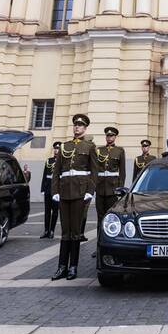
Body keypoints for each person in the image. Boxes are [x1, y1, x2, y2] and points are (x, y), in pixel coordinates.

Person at [51, 114, 98, 281]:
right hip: (64, 192)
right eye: (75, 125)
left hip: (79, 192)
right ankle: (61, 266)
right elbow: (56, 172)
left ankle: (73, 266)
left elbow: (94, 171)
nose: (77, 127)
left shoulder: (90, 147)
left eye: (80, 125)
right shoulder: (65, 146)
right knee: (65, 231)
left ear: (85, 128)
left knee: (76, 232)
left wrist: (89, 191)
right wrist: (55, 191)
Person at [93, 126, 125, 252]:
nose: (109, 137)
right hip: (100, 188)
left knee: (112, 219)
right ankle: (99, 246)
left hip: (113, 190)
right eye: (108, 135)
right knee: (100, 218)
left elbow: (122, 172)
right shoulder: (99, 150)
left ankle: (111, 247)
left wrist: (120, 189)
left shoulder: (120, 151)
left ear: (115, 137)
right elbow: (95, 169)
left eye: (111, 136)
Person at [40, 141, 60, 239]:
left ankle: (52, 230)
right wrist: (43, 188)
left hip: (57, 190)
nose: (56, 150)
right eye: (55, 149)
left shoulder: (63, 162)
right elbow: (44, 175)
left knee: (55, 211)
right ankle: (46, 230)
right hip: (48, 188)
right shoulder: (49, 161)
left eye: (58, 149)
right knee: (47, 211)